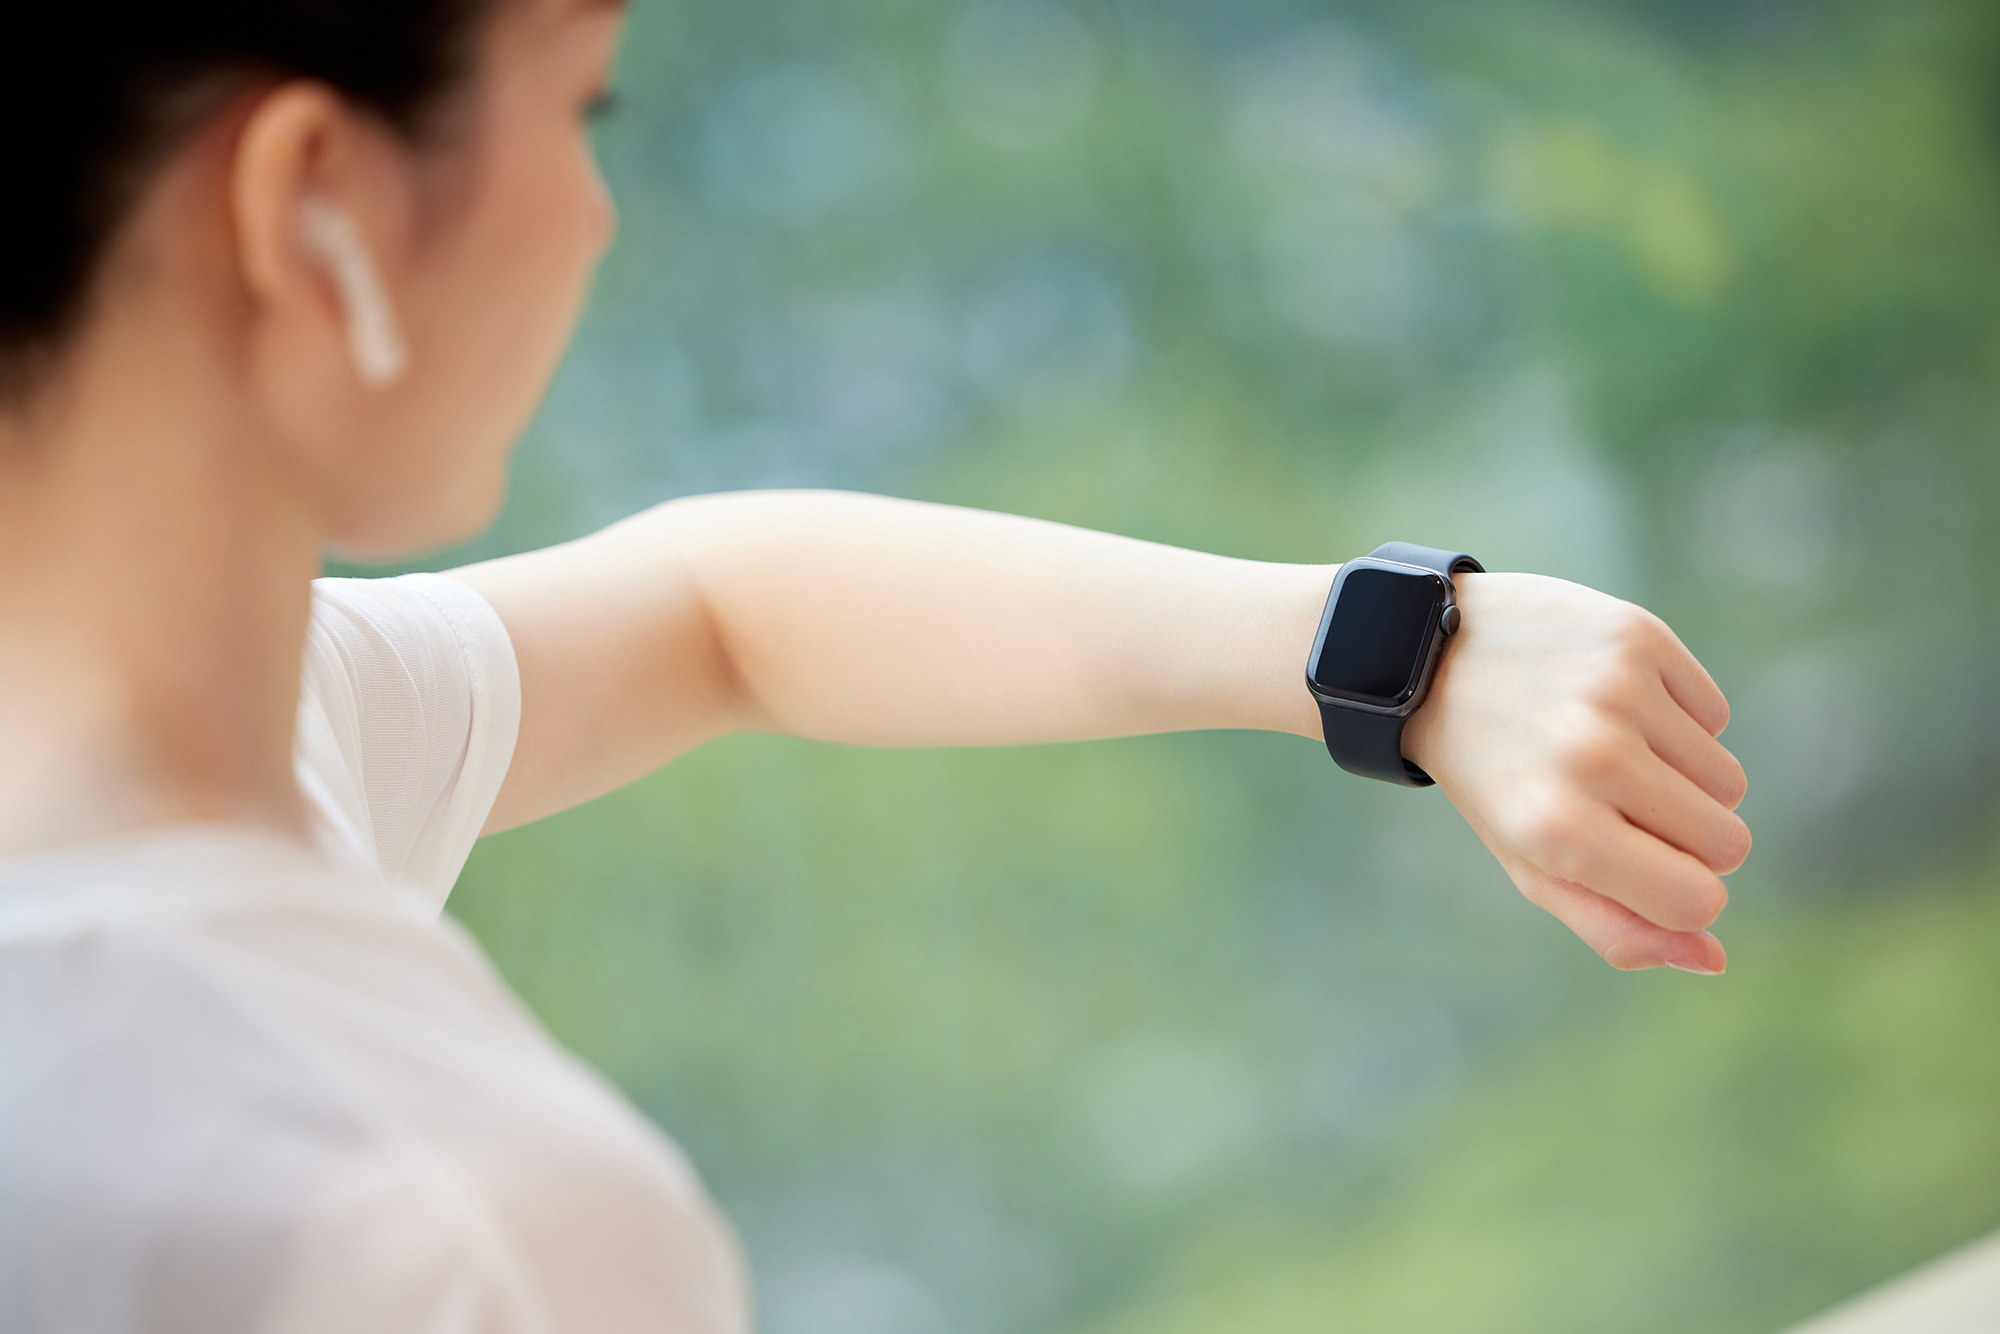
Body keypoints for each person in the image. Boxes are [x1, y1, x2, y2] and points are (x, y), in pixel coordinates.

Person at [0, 1, 1751, 1330]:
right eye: (580, 104)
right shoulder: (451, 1224)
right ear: (312, 200)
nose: (596, 216)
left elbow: (713, 610)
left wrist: (1412, 648)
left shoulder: (218, 742)